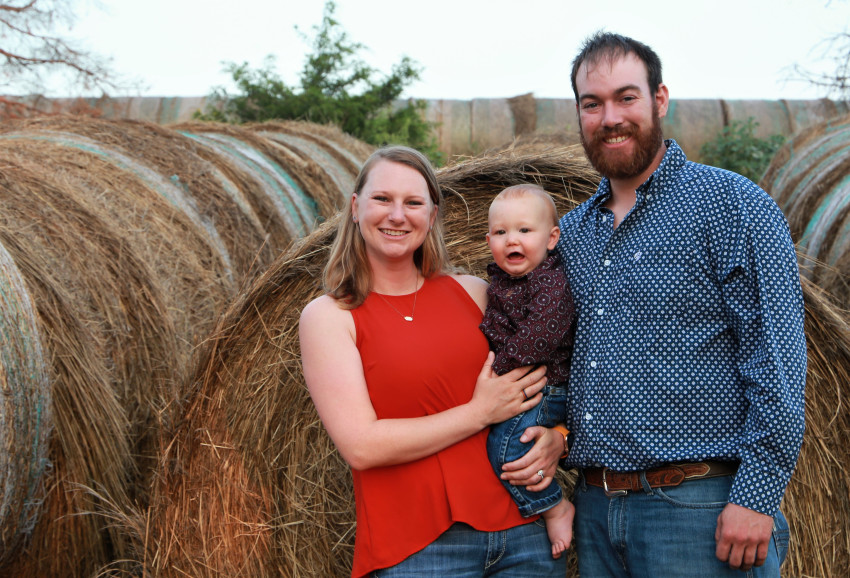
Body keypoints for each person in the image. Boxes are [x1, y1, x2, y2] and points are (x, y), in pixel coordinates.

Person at [548, 31, 807, 576]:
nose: (609, 117)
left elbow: (777, 360)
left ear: (659, 99)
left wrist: (756, 496)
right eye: (591, 104)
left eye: (626, 97)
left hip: (698, 509)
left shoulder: (732, 205)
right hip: (595, 513)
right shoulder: (571, 233)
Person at [298, 145, 567, 577]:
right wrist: (479, 413)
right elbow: (362, 446)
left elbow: (551, 370)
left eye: (413, 202)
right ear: (355, 207)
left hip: (523, 533)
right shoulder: (330, 317)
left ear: (433, 215)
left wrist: (558, 435)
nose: (397, 215)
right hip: (417, 549)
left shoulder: (476, 292)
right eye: (382, 199)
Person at [479, 184, 576, 558]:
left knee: (505, 450)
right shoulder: (502, 283)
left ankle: (554, 506)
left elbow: (538, 337)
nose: (511, 240)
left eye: (524, 231)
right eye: (501, 233)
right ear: (488, 240)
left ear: (552, 239)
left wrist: (497, 371)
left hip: (545, 388)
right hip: (525, 384)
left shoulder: (551, 282)